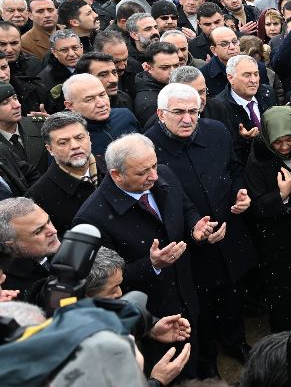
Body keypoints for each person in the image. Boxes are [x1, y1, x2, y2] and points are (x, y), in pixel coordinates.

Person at [72, 133, 224, 380]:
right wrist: (151, 265)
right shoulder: (91, 217)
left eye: (153, 165)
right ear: (116, 175)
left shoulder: (164, 174)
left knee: (196, 357)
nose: (154, 176)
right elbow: (101, 283)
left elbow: (186, 208)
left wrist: (196, 228)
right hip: (151, 315)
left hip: (188, 291)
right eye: (143, 172)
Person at [146, 83, 255, 372]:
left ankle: (236, 343)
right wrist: (193, 226)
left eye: (193, 111)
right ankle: (207, 361)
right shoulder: (148, 147)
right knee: (199, 305)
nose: (187, 119)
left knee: (232, 294)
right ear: (160, 113)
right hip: (186, 243)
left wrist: (240, 193)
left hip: (227, 229)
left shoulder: (217, 131)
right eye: (178, 112)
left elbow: (234, 169)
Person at [243, 106, 291, 332]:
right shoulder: (258, 159)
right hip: (277, 238)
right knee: (284, 290)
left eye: (290, 140)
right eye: (278, 142)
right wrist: (281, 195)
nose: (285, 147)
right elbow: (256, 206)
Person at [24, 111, 103, 236]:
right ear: (50, 149)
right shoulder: (38, 197)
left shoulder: (114, 168)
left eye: (79, 138)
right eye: (63, 142)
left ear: (89, 137)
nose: (75, 146)